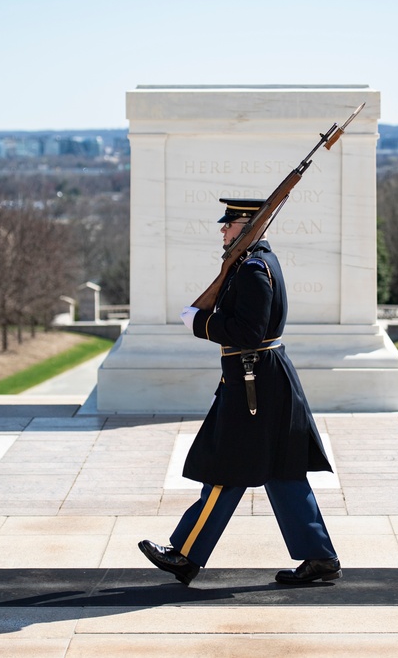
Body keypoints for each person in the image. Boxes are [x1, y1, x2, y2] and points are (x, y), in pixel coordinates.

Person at [138, 197, 340, 586]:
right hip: (262, 381)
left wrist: (201, 324)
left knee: (225, 467)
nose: (223, 231)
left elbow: (248, 334)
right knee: (282, 471)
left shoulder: (251, 270)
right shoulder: (256, 262)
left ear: (249, 228)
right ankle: (320, 557)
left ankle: (185, 554)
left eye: (229, 226)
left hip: (254, 387)